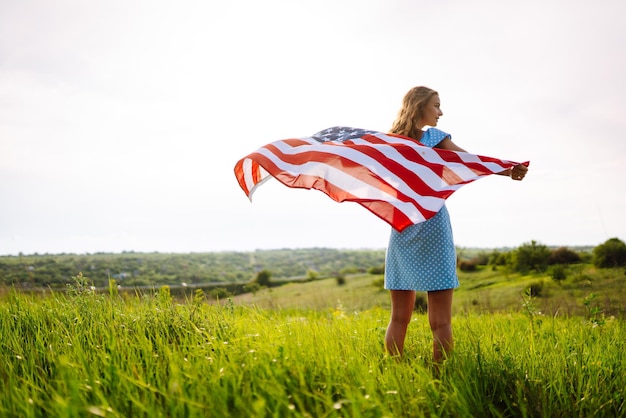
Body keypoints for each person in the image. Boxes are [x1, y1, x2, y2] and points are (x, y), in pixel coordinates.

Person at [383, 86, 528, 362]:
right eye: (436, 105)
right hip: (433, 226)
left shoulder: (389, 144)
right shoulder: (435, 138)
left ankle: (393, 372)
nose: (440, 111)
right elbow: (469, 161)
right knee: (441, 321)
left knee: (399, 318)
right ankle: (442, 379)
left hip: (402, 226)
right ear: (419, 106)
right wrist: (508, 169)